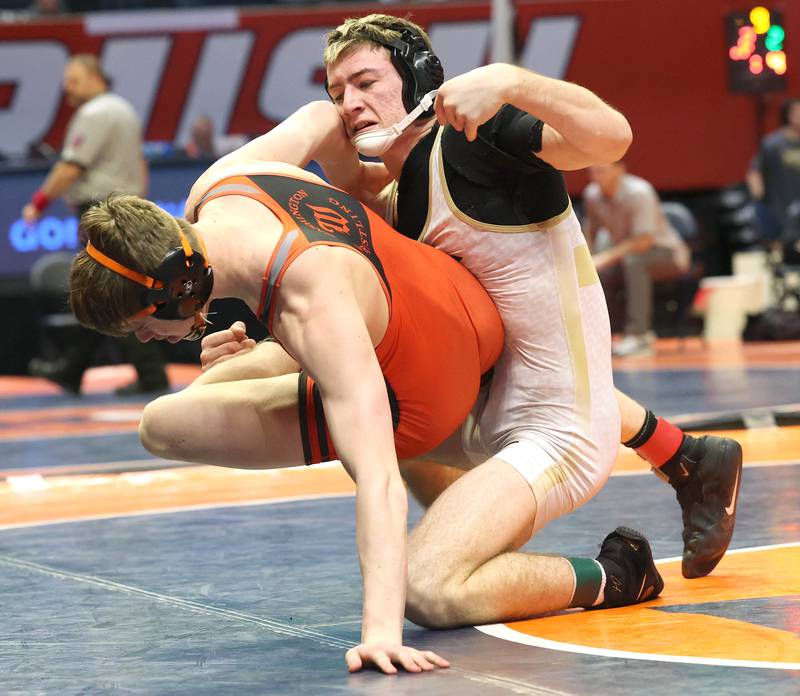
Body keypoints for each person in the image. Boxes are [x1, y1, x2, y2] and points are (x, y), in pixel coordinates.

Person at [68, 101, 668, 675]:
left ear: (178, 287)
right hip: (440, 302)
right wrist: (355, 183)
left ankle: (615, 575)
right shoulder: (227, 181)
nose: (147, 339)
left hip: (425, 394)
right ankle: (667, 448)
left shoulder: (312, 299)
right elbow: (324, 118)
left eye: (143, 325)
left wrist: (381, 631)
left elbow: (377, 477)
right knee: (197, 397)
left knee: (168, 426)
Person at [23, 53, 169, 395]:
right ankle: (73, 370)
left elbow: (71, 166)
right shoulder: (124, 111)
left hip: (101, 211)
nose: (66, 89)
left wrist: (38, 204)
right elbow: (140, 165)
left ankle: (150, 374)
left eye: (73, 80)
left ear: (95, 78)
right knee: (101, 289)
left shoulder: (94, 113)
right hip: (125, 207)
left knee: (114, 294)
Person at [582, 160, 691, 356]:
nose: (597, 177)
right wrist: (586, 261)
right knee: (599, 274)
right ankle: (606, 336)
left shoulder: (639, 192)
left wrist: (604, 258)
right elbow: (591, 231)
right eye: (593, 172)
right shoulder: (592, 195)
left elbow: (643, 242)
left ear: (619, 170)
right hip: (624, 255)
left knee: (635, 261)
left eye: (602, 171)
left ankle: (640, 337)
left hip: (666, 254)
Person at [746, 96, 800, 261]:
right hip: (782, 207)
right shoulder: (773, 144)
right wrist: (760, 199)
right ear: (789, 115)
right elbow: (754, 172)